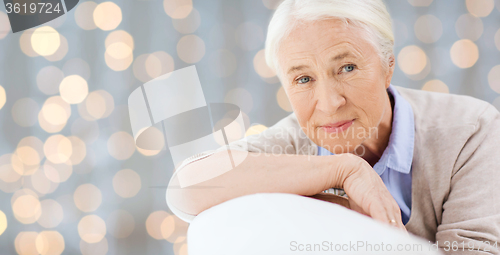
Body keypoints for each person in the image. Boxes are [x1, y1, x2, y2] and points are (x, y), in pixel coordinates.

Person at [166, 0, 500, 252]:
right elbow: (185, 189)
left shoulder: (470, 131)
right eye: (303, 78)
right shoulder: (291, 143)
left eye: (348, 68)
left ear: (388, 67)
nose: (328, 103)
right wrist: (344, 169)